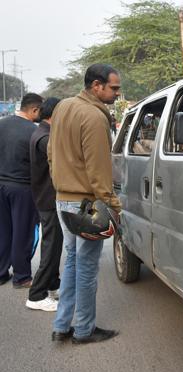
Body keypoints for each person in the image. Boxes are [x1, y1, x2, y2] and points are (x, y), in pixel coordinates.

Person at [49, 64, 122, 344]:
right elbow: (99, 171)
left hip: (63, 200)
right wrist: (115, 206)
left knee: (72, 263)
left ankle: (62, 325)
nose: (117, 93)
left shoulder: (64, 107)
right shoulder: (93, 116)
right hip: (85, 205)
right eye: (113, 88)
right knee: (87, 268)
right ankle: (84, 330)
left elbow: (51, 154)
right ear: (96, 86)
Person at [0, 93, 43, 288]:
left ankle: (1, 273)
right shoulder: (34, 132)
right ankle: (22, 276)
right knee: (23, 232)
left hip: (1, 185)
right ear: (34, 110)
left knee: (3, 231)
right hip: (22, 188)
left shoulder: (2, 123)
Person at [26, 97, 62, 311]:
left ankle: (52, 285)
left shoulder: (43, 133)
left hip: (46, 198)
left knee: (55, 246)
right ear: (54, 114)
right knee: (50, 247)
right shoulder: (44, 137)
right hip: (48, 200)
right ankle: (36, 295)